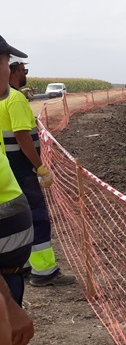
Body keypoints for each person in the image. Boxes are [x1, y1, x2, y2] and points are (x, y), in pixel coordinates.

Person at [0, 55, 75, 287]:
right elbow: (22, 136)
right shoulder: (15, 99)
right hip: (23, 168)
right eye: (23, 71)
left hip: (9, 169)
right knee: (37, 217)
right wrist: (39, 167)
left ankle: (21, 264)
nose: (25, 75)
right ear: (11, 72)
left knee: (16, 219)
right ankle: (44, 272)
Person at [0, 35, 35, 345]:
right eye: (8, 62)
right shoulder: (13, 101)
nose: (15, 70)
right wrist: (7, 305)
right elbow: (23, 137)